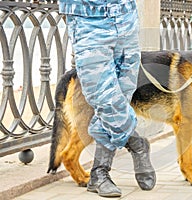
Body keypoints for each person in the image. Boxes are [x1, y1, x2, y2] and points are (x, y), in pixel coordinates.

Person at [59, 0, 156, 197]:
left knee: (120, 97)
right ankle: (136, 143)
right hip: (87, 19)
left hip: (126, 16)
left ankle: (98, 174)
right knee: (104, 98)